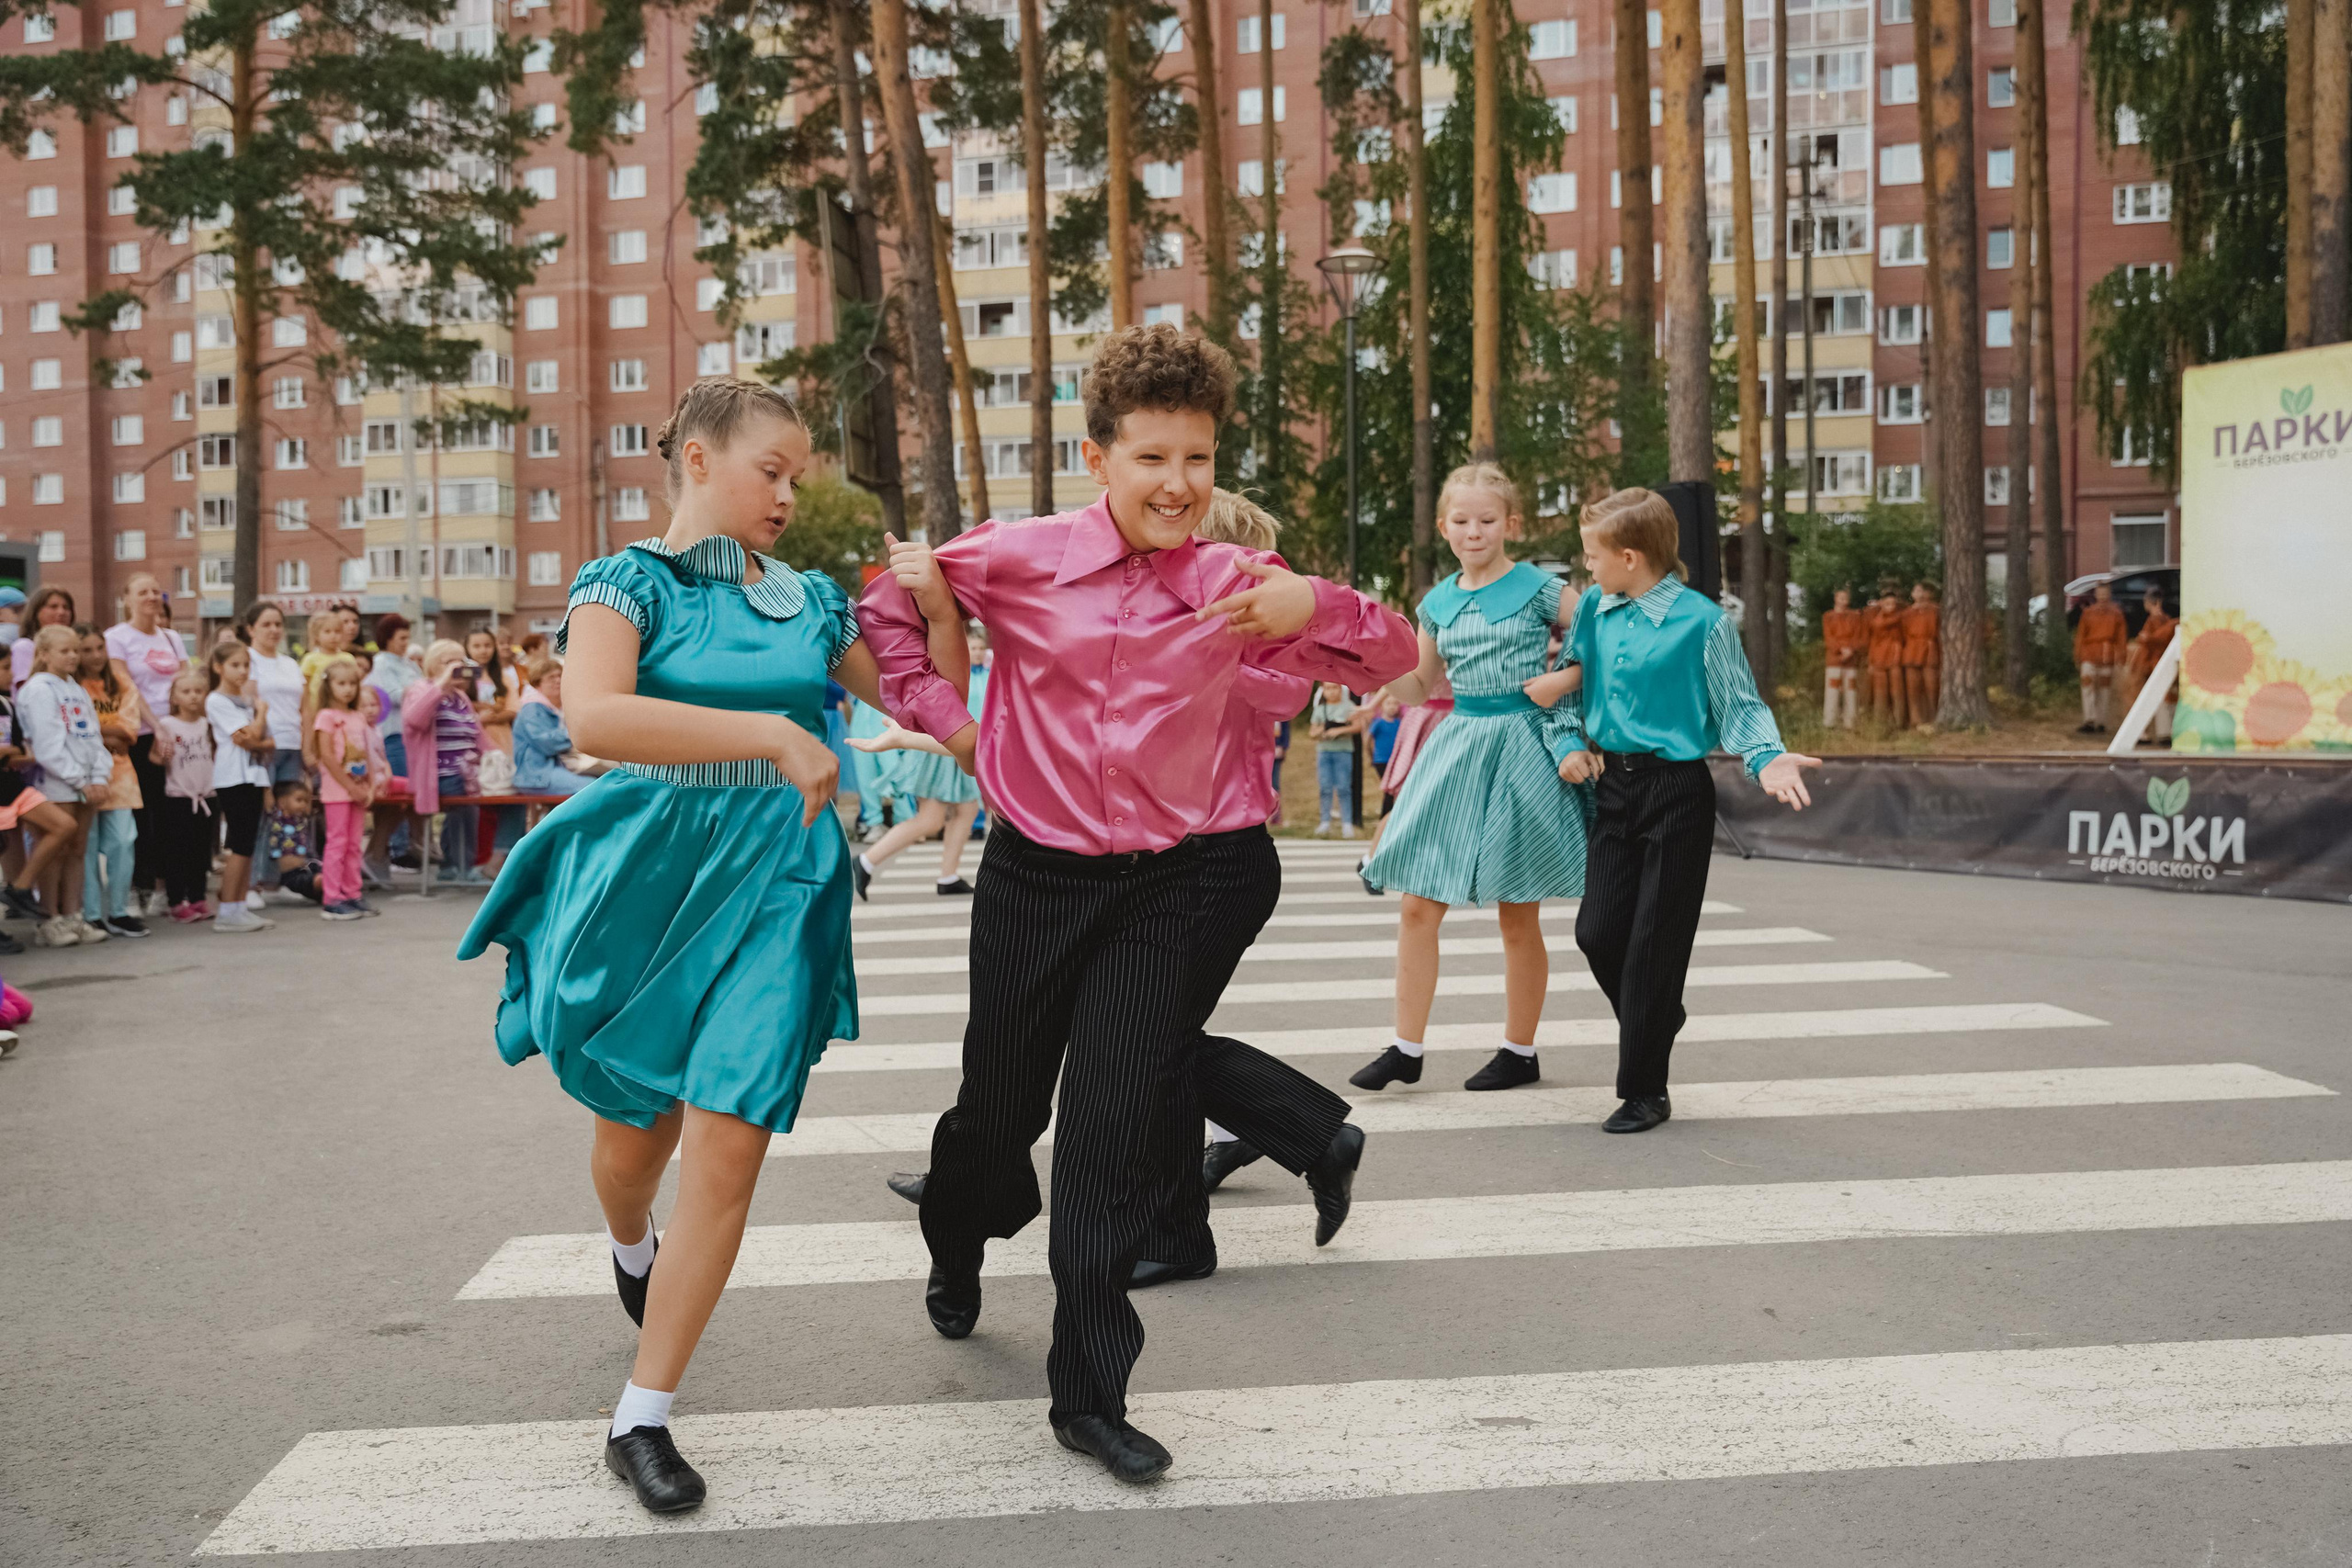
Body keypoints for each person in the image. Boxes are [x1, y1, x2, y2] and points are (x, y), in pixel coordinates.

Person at [857, 325, 1416, 1483]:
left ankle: (1090, 1392)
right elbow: (884, 614)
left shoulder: (1236, 584)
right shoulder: (1010, 556)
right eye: (1153, 457)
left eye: (1199, 459)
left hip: (1179, 879)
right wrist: (955, 728)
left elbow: (1391, 660)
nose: (1178, 484)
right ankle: (956, 1235)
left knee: (1109, 1128)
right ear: (1098, 454)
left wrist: (1308, 600)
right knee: (997, 1114)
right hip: (1035, 875)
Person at [456, 377, 969, 1517]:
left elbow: (930, 708)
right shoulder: (626, 583)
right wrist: (770, 732)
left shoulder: (815, 602)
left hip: (783, 879)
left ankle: (641, 1415)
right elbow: (593, 718)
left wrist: (936, 616)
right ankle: (629, 1244)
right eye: (768, 471)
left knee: (730, 1142)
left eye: (797, 477)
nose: (787, 495)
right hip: (648, 875)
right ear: (694, 459)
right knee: (634, 1147)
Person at [1562, 488, 1820, 1134]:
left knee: (1654, 943)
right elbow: (1569, 683)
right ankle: (1657, 1016)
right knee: (1596, 933)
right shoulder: (1595, 605)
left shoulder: (1702, 621)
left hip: (1676, 791)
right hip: (1612, 789)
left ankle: (1645, 1089)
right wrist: (1566, 742)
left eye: (1592, 554)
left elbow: (1739, 704)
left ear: (1630, 555)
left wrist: (1769, 757)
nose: (1584, 566)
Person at [1351, 463, 1589, 1098]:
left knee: (1517, 911)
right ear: (1443, 527)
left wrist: (1563, 681)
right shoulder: (1436, 601)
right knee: (1416, 902)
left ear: (1511, 524)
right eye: (1461, 520)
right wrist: (1368, 669)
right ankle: (1406, 1046)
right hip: (1457, 742)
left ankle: (1519, 1049)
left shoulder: (1541, 587)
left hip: (1522, 743)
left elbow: (1604, 638)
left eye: (1487, 520)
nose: (1474, 531)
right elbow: (1420, 686)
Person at [14, 626, 114, 947]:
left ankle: (73, 915)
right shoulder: (40, 689)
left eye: (76, 650)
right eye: (65, 650)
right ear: (44, 654)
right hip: (57, 781)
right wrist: (80, 779)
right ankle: (49, 919)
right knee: (55, 849)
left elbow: (93, 737)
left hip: (85, 782)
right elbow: (48, 746)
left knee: (77, 849)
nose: (73, 656)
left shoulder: (76, 687)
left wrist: (98, 777)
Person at [105, 573, 189, 918]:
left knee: (174, 812)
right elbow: (126, 687)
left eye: (155, 591)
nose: (151, 597)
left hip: (175, 732)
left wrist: (179, 723)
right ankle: (143, 884)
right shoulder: (116, 638)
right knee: (144, 814)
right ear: (127, 599)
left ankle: (172, 887)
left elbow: (186, 680)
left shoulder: (171, 637)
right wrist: (155, 725)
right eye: (143, 592)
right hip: (140, 736)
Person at [847, 692, 985, 896]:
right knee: (933, 818)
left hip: (952, 727)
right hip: (947, 730)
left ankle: (948, 876)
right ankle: (866, 861)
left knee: (964, 809)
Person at [75, 625, 148, 938]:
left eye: (98, 648)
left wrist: (94, 733)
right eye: (86, 649)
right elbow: (75, 732)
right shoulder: (71, 685)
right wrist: (105, 734)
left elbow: (128, 731)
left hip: (120, 775)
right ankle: (91, 913)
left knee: (122, 841)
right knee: (87, 846)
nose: (94, 656)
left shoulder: (120, 683)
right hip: (81, 773)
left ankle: (118, 911)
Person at [0, 688, 83, 952]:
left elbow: (23, 752)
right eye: (4, 668)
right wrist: (11, 753)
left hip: (14, 788)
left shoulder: (6, 704)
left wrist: (13, 753)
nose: (10, 675)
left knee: (64, 825)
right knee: (7, 848)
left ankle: (21, 888)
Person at [206, 638, 277, 934]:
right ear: (218, 667)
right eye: (235, 665)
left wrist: (257, 737)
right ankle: (227, 910)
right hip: (233, 776)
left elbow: (263, 742)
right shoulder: (217, 700)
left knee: (247, 842)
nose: (242, 671)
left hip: (253, 775)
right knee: (238, 843)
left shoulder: (245, 701)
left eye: (246, 665)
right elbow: (248, 735)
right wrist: (261, 714)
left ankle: (238, 906)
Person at [402, 640, 486, 886]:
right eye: (450, 662)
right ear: (433, 665)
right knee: (467, 797)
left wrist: (500, 761)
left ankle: (478, 861)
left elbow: (478, 735)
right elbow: (414, 720)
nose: (457, 667)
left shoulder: (460, 697)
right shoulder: (421, 689)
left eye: (461, 661)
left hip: (466, 772)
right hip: (436, 775)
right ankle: (461, 865)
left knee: (506, 794)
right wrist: (441, 685)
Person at [311, 656, 388, 919]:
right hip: (337, 791)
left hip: (358, 789)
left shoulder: (356, 716)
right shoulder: (326, 717)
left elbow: (365, 752)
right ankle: (332, 898)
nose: (347, 689)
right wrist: (348, 787)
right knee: (338, 843)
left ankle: (352, 893)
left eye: (352, 684)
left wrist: (368, 785)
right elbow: (327, 757)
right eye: (341, 683)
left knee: (355, 843)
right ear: (328, 686)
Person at [151, 671, 218, 921]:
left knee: (201, 851)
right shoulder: (167, 724)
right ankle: (177, 901)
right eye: (186, 692)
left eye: (198, 691)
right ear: (174, 697)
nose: (193, 696)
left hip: (206, 795)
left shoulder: (207, 724)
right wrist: (163, 756)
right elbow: (154, 757)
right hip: (179, 795)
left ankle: (198, 897)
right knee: (177, 851)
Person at [512, 657, 593, 796]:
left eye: (560, 676)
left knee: (601, 782)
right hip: (536, 775)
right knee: (591, 788)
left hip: (552, 770)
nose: (558, 680)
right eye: (551, 678)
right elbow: (546, 743)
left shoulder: (554, 708)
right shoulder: (533, 708)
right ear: (538, 684)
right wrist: (576, 733)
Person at [2075, 580, 2130, 735]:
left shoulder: (2116, 614)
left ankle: (2101, 721)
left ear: (2109, 594)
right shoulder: (2088, 613)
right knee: (2088, 686)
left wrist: (2121, 656)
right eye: (2100, 593)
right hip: (2089, 654)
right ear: (2096, 594)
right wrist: (2078, 655)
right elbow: (2080, 636)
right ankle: (2089, 720)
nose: (2103, 596)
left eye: (2105, 593)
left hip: (2107, 654)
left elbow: (2121, 637)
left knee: (2104, 689)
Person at [1307, 682, 1361, 837]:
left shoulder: (1348, 706)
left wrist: (1339, 730)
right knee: (1325, 787)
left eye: (1334, 688)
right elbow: (1312, 732)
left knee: (1344, 787)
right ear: (1323, 691)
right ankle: (1325, 821)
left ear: (1340, 689)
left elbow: (1357, 726)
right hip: (1324, 751)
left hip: (1343, 751)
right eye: (1328, 689)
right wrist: (1324, 730)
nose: (1331, 692)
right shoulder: (1320, 709)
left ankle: (1347, 823)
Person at [2128, 588, 2177, 743]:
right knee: (2165, 698)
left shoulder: (2157, 621)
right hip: (2155, 663)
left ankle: (2158, 733)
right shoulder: (2166, 621)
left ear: (2151, 603)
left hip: (2153, 663)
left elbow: (2150, 641)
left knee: (2154, 698)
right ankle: (2163, 731)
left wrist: (2146, 638)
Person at [1819, 586, 1867, 729]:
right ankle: (1830, 722)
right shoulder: (1828, 616)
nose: (1843, 600)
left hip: (1851, 660)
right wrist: (1840, 650)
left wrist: (1851, 649)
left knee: (1851, 690)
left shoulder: (1855, 616)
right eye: (1841, 597)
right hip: (1834, 659)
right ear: (1835, 599)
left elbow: (1859, 636)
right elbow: (1829, 637)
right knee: (1832, 690)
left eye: (1846, 598)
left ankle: (1850, 723)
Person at [13, 587, 78, 692]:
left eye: (66, 607)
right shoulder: (24, 647)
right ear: (35, 612)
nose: (61, 612)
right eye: (53, 607)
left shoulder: (76, 649)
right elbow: (27, 690)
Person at [1864, 587, 1906, 728]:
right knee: (1880, 693)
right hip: (1879, 657)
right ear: (1882, 603)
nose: (1891, 607)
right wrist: (1871, 661)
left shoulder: (1900, 616)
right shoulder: (1877, 619)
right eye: (1887, 604)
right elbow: (1873, 637)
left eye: (1893, 604)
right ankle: (1880, 723)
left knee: (1897, 692)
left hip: (1895, 656)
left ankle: (1899, 722)